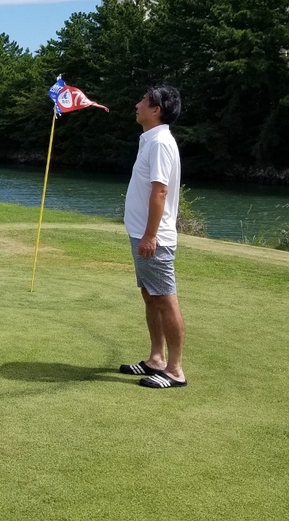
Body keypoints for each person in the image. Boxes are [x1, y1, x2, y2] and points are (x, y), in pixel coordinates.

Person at [119, 85, 188, 389]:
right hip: (142, 234)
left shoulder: (160, 142)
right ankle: (156, 359)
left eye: (143, 101)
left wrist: (150, 235)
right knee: (150, 295)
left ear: (156, 110)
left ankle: (174, 370)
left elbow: (160, 191)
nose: (137, 105)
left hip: (153, 238)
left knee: (164, 298)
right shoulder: (150, 139)